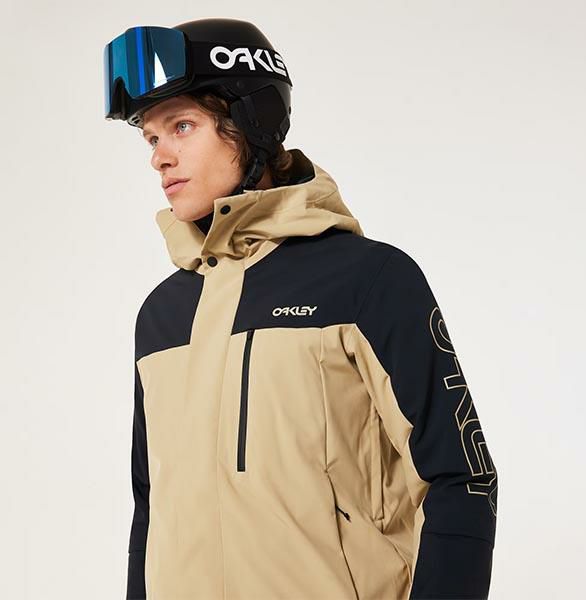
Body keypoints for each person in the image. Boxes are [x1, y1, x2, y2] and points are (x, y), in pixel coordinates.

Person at [104, 17, 499, 600]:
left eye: (182, 126)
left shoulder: (368, 281)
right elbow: (150, 506)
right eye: (151, 138)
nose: (160, 158)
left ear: (251, 122)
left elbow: (461, 479)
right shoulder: (162, 315)